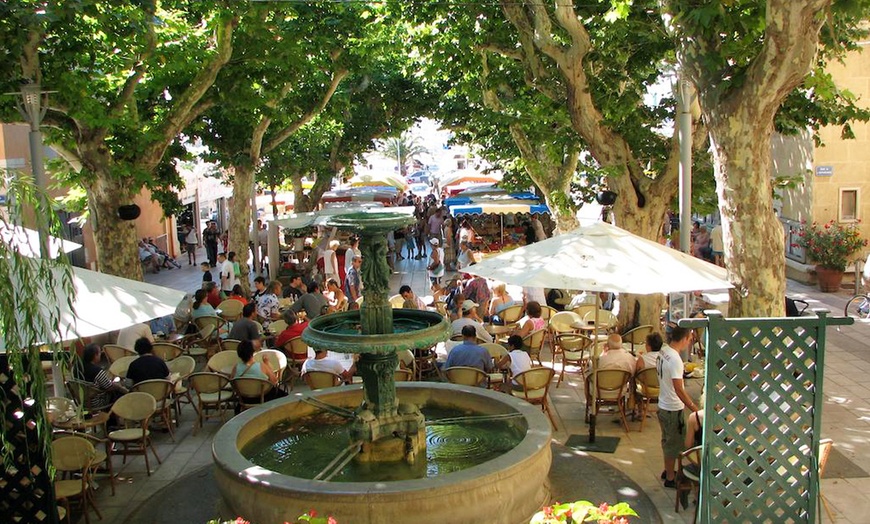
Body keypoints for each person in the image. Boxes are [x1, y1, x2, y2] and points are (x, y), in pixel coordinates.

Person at [657, 327, 700, 488]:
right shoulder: (675, 359)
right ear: (684, 339)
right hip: (672, 407)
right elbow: (679, 389)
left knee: (667, 440)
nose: (689, 342)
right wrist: (693, 406)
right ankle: (670, 476)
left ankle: (667, 469)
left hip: (663, 403)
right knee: (674, 443)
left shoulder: (663, 351)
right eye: (689, 339)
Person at [230, 340, 286, 408]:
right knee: (284, 395)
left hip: (244, 398)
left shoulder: (236, 367)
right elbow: (274, 381)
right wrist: (267, 363)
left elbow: (232, 383)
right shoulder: (262, 366)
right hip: (262, 397)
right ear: (252, 352)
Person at [74, 343, 128, 408]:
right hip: (95, 401)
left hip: (81, 400)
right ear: (95, 355)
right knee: (119, 392)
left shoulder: (77, 367)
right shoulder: (97, 371)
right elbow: (109, 387)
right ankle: (115, 414)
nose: (101, 354)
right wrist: (119, 386)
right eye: (99, 353)